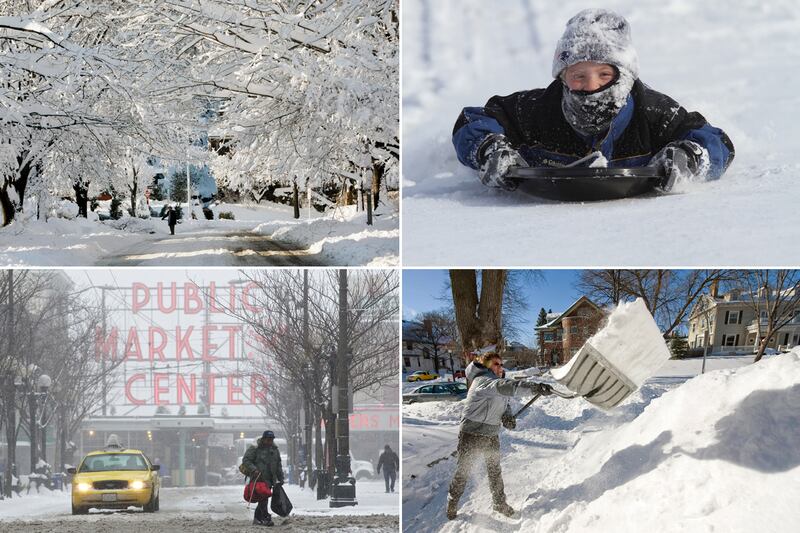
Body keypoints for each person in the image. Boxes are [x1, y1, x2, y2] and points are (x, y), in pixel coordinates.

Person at [453, 9, 734, 193]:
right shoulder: (537, 110)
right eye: (579, 76)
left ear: (624, 75)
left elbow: (715, 140)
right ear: (563, 77)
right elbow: (474, 120)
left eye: (604, 74)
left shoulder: (654, 112)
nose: (592, 86)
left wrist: (690, 158)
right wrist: (488, 150)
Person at [447, 349, 553, 520]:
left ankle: (499, 503)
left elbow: (504, 403)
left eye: (501, 364)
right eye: (496, 364)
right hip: (471, 433)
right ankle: (452, 501)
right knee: (464, 471)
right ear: (486, 365)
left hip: (490, 434)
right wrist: (534, 387)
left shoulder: (497, 382)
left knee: (494, 471)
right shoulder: (483, 380)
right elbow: (507, 387)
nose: (500, 367)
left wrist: (507, 417)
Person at [242, 430, 285, 527]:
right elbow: (246, 460)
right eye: (268, 439)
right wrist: (254, 469)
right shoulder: (255, 448)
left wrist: (280, 478)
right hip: (258, 478)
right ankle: (265, 517)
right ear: (263, 439)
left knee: (263, 499)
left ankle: (257, 519)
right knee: (263, 498)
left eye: (271, 439)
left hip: (270, 479)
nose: (270, 441)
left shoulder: (274, 450)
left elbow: (278, 465)